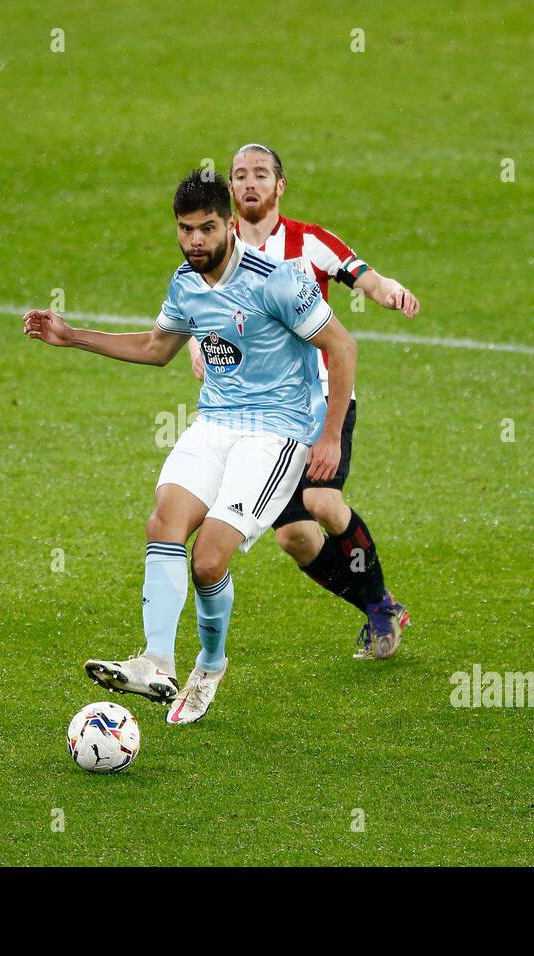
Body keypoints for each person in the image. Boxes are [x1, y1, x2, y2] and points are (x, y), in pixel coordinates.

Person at [23, 170, 357, 724]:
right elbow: (158, 348)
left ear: (229, 224)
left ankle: (210, 662)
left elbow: (342, 346)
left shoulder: (277, 280)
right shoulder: (185, 282)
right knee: (163, 523)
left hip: (275, 432)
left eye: (206, 228)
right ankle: (156, 661)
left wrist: (329, 436)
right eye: (186, 229)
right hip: (214, 424)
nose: (196, 240)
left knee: (208, 562)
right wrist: (72, 335)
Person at [189, 143, 417, 659]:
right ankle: (378, 605)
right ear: (229, 187)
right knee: (293, 537)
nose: (250, 183)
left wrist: (390, 292)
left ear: (279, 186)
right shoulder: (216, 251)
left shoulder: (309, 242)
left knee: (322, 501)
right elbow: (195, 309)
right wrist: (197, 348)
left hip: (321, 399)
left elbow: (365, 277)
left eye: (261, 175)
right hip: (263, 413)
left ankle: (380, 604)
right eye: (241, 175)